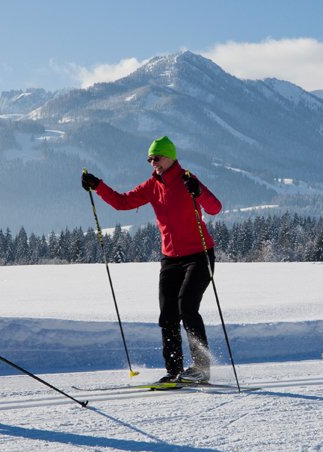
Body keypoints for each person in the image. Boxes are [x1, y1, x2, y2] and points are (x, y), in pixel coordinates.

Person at [81, 136, 222, 384]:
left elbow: (215, 208)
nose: (152, 163)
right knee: (167, 315)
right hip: (170, 258)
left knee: (187, 307)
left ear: (170, 157)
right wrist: (98, 185)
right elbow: (122, 202)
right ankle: (174, 370)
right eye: (150, 159)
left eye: (156, 158)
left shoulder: (188, 180)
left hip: (199, 255)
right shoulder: (152, 186)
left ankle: (202, 368)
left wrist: (198, 193)